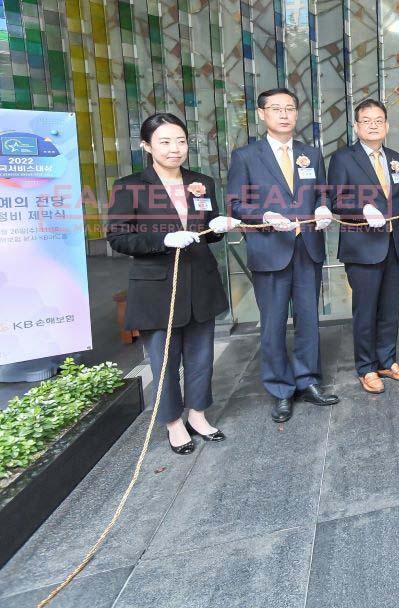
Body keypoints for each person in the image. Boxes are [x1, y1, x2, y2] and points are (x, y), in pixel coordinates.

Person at [106, 113, 237, 454]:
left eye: (180, 141)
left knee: (201, 357)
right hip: (157, 288)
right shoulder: (129, 186)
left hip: (200, 282)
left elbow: (207, 229)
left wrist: (218, 226)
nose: (174, 149)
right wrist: (163, 239)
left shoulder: (201, 181)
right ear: (146, 145)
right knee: (164, 361)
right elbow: (118, 237)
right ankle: (173, 422)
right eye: (164, 142)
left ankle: (198, 414)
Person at [226, 87, 338, 423]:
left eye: (290, 108)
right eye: (276, 108)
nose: (284, 114)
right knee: (273, 324)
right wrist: (264, 215)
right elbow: (235, 204)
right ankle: (280, 389)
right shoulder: (246, 156)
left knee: (308, 320)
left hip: (307, 248)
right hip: (269, 249)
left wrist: (323, 207)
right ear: (262, 114)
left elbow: (323, 194)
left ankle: (308, 380)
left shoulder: (311, 154)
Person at [327, 99, 399, 394]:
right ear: (356, 126)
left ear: (387, 126)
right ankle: (366, 367)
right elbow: (336, 199)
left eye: (378, 120)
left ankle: (387, 361)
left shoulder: (396, 158)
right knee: (366, 310)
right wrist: (363, 208)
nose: (373, 125)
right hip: (362, 247)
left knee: (390, 309)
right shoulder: (343, 158)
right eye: (366, 121)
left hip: (393, 244)